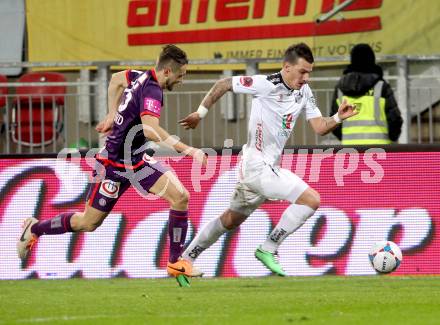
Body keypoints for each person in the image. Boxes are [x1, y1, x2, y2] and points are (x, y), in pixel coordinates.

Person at [17, 44, 206, 286]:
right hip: (113, 165)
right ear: (168, 72)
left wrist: (111, 114)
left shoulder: (139, 76)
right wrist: (188, 150)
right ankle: (35, 229)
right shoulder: (152, 92)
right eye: (181, 75)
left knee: (180, 197)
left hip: (137, 160)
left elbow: (117, 80)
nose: (182, 80)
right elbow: (150, 129)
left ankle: (175, 261)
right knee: (88, 223)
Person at [178, 43, 357, 276]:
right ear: (287, 67)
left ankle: (184, 259)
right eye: (302, 72)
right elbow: (223, 84)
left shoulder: (304, 92)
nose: (306, 78)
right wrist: (199, 114)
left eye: (309, 73)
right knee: (311, 200)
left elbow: (320, 127)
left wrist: (337, 117)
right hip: (256, 166)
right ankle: (268, 248)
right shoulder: (265, 84)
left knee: (231, 219)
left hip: (265, 168)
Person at [330, 43, 403, 144]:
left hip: (350, 151)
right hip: (380, 150)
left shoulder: (340, 88)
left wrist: (346, 138)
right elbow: (395, 119)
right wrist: (392, 137)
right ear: (372, 60)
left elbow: (333, 122)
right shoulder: (381, 86)